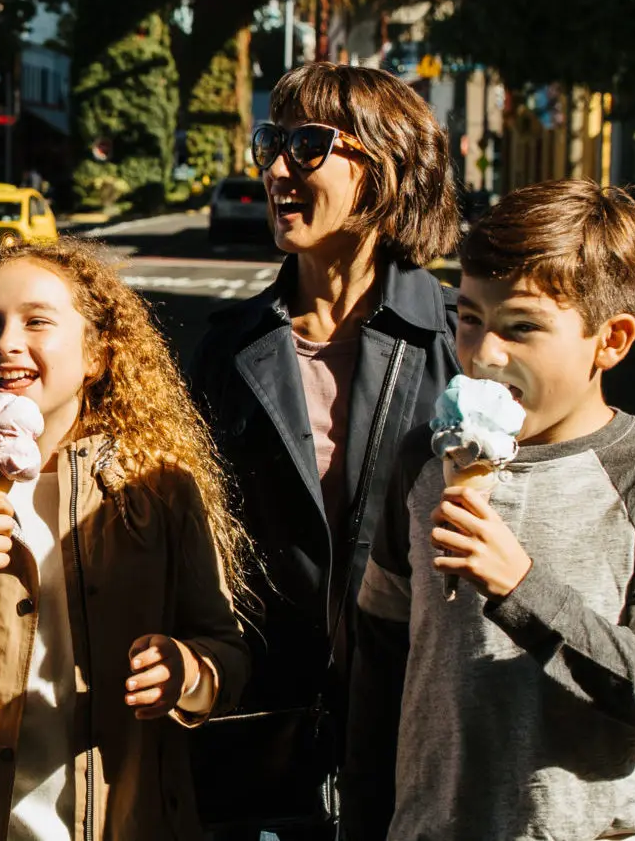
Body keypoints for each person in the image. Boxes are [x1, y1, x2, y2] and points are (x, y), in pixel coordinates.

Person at [0, 239, 251, 840]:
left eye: (37, 321)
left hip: (122, 818)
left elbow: (225, 650)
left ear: (96, 354)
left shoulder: (156, 488)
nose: (6, 342)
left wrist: (187, 672)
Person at [186, 62, 461, 837]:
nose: (275, 167)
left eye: (306, 146)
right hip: (259, 743)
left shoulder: (459, 342)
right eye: (270, 142)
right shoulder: (226, 352)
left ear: (384, 166)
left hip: (419, 731)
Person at [344, 180, 635, 840]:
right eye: (469, 318)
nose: (484, 354)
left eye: (520, 328)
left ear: (611, 341)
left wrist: (521, 587)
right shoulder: (422, 459)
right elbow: (379, 659)